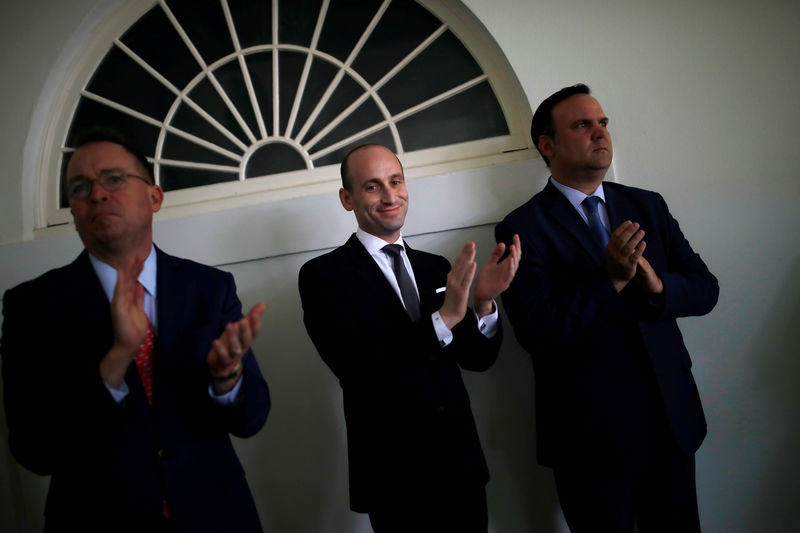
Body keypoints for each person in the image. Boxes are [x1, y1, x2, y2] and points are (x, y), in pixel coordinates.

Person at [1, 127, 270, 533]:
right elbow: (34, 451)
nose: (97, 194)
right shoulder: (31, 307)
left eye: (113, 179)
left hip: (216, 515)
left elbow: (251, 420)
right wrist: (116, 359)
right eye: (80, 187)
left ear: (154, 197)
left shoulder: (210, 289)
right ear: (73, 211)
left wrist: (226, 376)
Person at [495, 84, 719, 532]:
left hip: (669, 421)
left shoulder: (647, 205)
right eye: (582, 125)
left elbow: (705, 289)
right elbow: (538, 330)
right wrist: (613, 278)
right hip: (589, 438)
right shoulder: (521, 227)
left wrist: (657, 285)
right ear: (547, 145)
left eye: (603, 123)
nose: (600, 134)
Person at [298, 144, 520, 532]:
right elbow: (357, 369)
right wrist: (446, 316)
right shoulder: (323, 276)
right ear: (347, 199)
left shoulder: (436, 267)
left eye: (395, 181)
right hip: (393, 477)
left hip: (461, 466)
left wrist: (483, 303)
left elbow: (476, 359)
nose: (389, 196)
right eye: (372, 186)